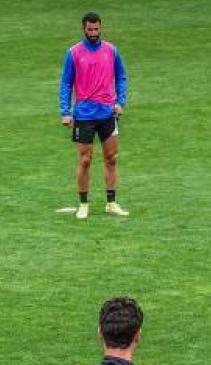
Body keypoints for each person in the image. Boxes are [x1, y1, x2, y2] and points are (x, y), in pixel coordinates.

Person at [58, 11, 129, 220]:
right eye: (89, 29)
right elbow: (66, 83)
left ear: (100, 28)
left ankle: (111, 203)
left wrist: (120, 102)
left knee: (112, 158)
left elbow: (121, 76)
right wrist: (65, 111)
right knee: (85, 160)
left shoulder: (111, 51)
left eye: (96, 29)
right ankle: (83, 204)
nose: (93, 33)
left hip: (107, 113)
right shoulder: (74, 53)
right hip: (84, 114)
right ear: (84, 29)